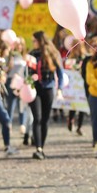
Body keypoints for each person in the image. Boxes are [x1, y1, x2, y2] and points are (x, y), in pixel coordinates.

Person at [27, 31, 64, 160]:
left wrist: (60, 89)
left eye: (34, 41)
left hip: (48, 88)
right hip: (34, 89)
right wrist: (29, 79)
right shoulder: (31, 54)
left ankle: (41, 146)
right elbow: (26, 72)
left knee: (45, 119)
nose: (33, 43)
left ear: (40, 41)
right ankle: (38, 148)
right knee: (37, 117)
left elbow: (60, 73)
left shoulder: (53, 54)